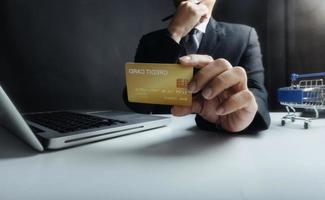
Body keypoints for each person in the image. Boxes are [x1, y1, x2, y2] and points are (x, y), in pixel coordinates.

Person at [124, 0, 270, 133]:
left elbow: (257, 94)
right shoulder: (150, 41)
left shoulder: (243, 36)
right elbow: (138, 104)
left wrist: (245, 114)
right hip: (159, 136)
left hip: (218, 137)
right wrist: (175, 31)